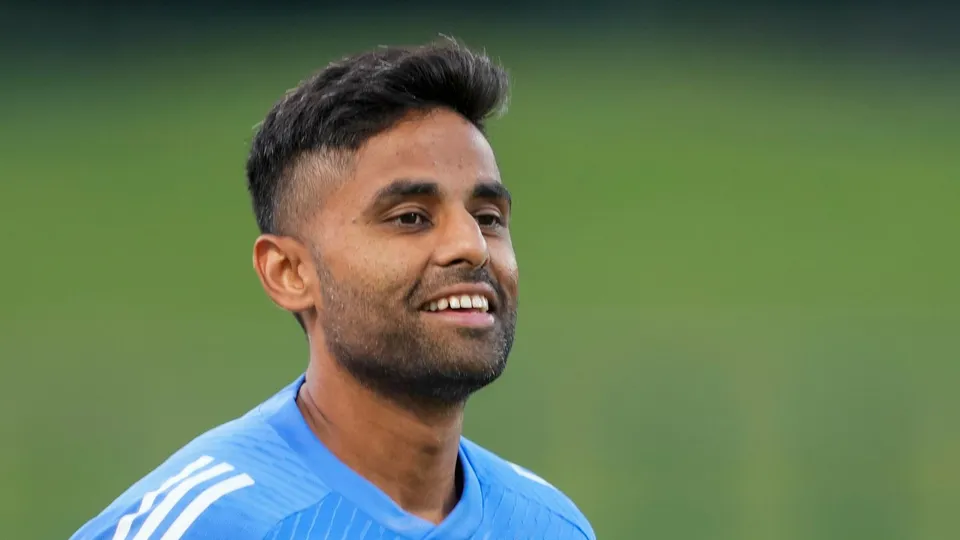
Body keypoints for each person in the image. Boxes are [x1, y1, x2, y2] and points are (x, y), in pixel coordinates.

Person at [70, 38, 596, 540]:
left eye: (487, 217)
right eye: (411, 217)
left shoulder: (549, 526)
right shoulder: (209, 525)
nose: (472, 247)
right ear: (288, 272)